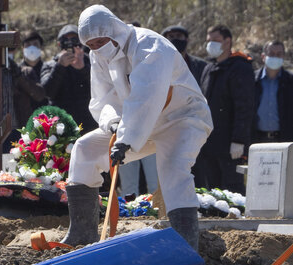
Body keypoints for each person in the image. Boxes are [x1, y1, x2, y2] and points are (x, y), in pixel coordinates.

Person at [63, 5, 213, 250]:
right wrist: (112, 123)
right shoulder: (98, 54)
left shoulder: (150, 46)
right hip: (135, 125)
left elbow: (147, 96)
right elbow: (102, 98)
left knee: (173, 169)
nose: (97, 48)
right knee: (85, 150)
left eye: (101, 41)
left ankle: (186, 245)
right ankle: (82, 235)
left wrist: (126, 138)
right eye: (91, 45)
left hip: (181, 118)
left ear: (114, 30)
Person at [195, 25, 255, 194]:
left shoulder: (240, 67)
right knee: (214, 191)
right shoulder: (209, 68)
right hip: (210, 142)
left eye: (215, 41)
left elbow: (244, 106)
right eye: (209, 41)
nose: (210, 45)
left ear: (227, 42)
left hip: (230, 145)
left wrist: (239, 140)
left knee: (233, 190)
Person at [40, 24, 96, 134]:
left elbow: (101, 87)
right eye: (66, 40)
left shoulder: (92, 61)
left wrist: (83, 69)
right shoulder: (50, 65)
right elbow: (47, 92)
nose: (70, 43)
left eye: (74, 39)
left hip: (89, 124)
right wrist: (60, 67)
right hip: (61, 127)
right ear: (59, 44)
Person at [252, 41, 293, 143]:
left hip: (284, 140)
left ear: (283, 56)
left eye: (279, 54)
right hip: (257, 139)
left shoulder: (290, 81)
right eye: (271, 54)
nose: (275, 57)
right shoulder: (252, 80)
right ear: (263, 56)